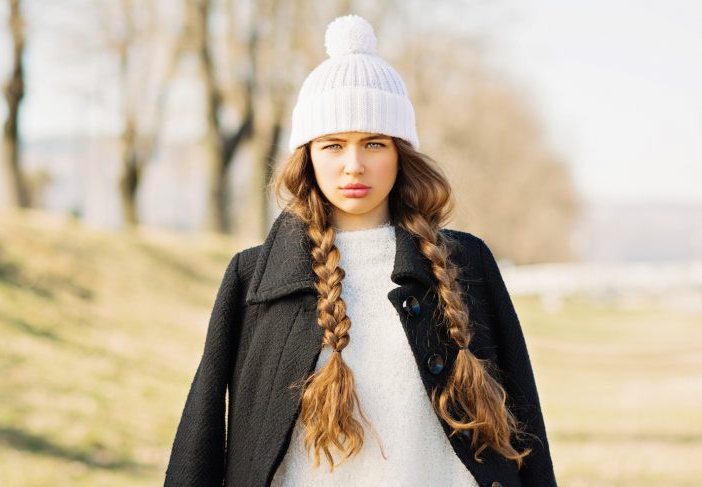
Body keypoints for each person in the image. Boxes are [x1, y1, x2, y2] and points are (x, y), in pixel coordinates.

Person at [164, 14, 557, 487]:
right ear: (307, 156)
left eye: (373, 143)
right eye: (332, 145)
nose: (354, 166)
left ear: (400, 153)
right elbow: (201, 438)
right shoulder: (253, 278)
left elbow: (525, 425)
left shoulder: (466, 265)